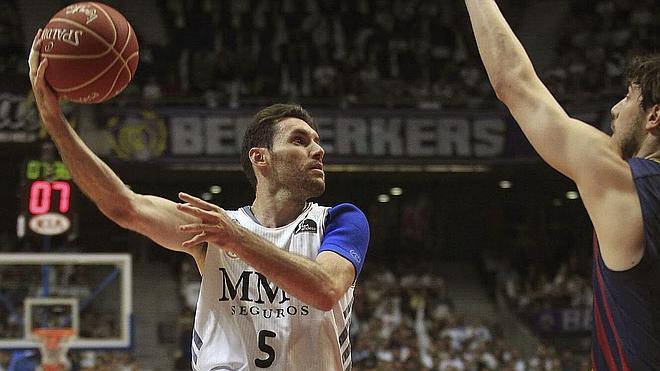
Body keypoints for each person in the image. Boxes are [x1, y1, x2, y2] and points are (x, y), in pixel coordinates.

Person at [28, 30, 369, 371]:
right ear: (260, 158)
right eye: (300, 140)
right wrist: (55, 123)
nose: (318, 149)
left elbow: (325, 290)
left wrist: (236, 239)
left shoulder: (340, 220)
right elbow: (124, 205)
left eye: (317, 141)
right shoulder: (215, 229)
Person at [463, 1, 659, 368]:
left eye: (629, 97)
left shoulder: (627, 183)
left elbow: (515, 84)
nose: (615, 109)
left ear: (654, 115)